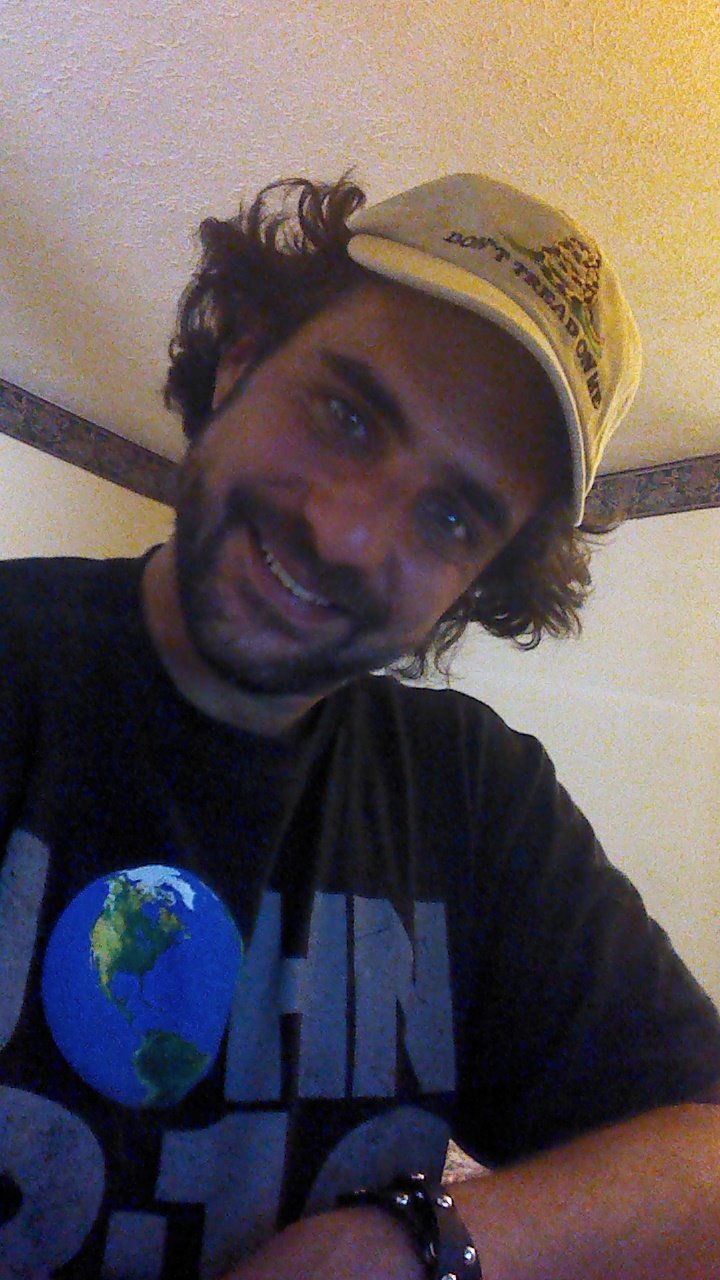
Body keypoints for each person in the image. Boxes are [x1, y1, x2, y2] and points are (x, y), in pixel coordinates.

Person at [1, 171, 719, 1280]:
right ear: (241, 357)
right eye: (346, 416)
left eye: (451, 517)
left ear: (478, 581)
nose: (345, 534)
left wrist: (425, 1243)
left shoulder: (476, 797)